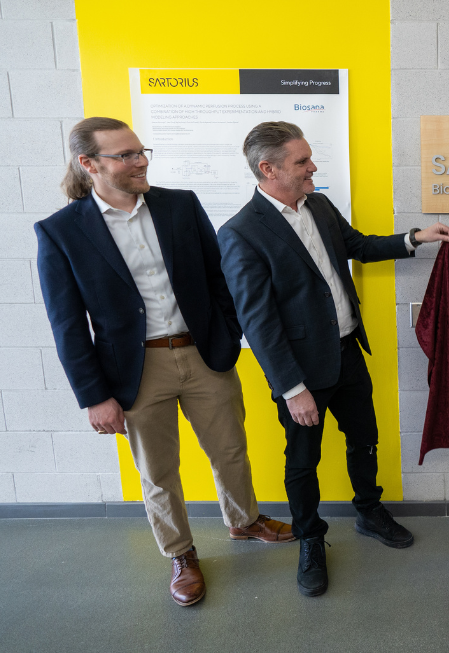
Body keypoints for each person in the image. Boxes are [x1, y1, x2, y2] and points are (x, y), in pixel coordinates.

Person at [35, 117, 293, 608]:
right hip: (135, 371)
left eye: (141, 151)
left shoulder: (179, 205)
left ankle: (244, 521)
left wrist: (226, 334)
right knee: (158, 472)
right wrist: (94, 396)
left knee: (230, 450)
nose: (141, 161)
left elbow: (221, 277)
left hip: (203, 354)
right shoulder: (61, 232)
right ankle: (181, 554)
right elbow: (67, 324)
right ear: (89, 165)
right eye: (126, 155)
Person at [217, 121, 449, 597]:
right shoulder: (241, 233)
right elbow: (258, 323)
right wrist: (292, 388)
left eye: (309, 158)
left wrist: (414, 238)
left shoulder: (319, 205)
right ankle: (310, 540)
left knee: (364, 438)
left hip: (347, 353)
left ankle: (369, 511)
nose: (313, 168)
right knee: (302, 462)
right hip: (301, 375)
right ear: (269, 169)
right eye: (302, 162)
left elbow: (359, 247)